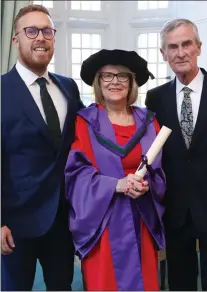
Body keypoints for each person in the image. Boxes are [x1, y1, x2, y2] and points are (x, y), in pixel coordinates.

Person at [65, 49, 166, 290]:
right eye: (107, 76)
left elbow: (159, 170)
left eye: (122, 76)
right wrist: (116, 184)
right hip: (103, 223)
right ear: (98, 82)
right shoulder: (85, 121)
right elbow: (76, 173)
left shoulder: (149, 121)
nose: (115, 82)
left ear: (132, 82)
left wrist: (147, 183)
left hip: (142, 220)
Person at [1, 4, 84, 291]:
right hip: (14, 223)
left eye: (47, 31)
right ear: (16, 40)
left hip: (63, 219)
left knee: (63, 286)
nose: (40, 38)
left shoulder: (68, 88)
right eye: (31, 31)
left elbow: (89, 138)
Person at [145, 18, 207, 291]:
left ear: (199, 47)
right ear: (163, 54)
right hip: (175, 210)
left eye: (186, 44)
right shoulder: (154, 99)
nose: (180, 52)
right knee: (180, 283)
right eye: (173, 46)